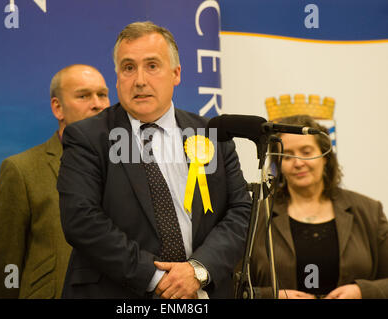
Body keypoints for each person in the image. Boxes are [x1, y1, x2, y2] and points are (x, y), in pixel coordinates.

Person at [57, 21, 251, 299]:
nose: (139, 80)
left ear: (176, 74)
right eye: (128, 68)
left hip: (201, 293)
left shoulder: (212, 135)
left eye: (152, 66)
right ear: (117, 77)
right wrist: (158, 278)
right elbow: (82, 220)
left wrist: (198, 270)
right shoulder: (87, 137)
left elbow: (240, 212)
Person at [0, 64, 111, 298]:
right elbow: (3, 262)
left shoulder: (125, 168)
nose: (98, 104)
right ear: (58, 107)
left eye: (102, 94)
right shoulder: (22, 170)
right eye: (83, 95)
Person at [244, 115, 388, 299]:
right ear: (278, 164)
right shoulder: (258, 214)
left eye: (306, 152)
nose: (298, 163)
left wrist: (361, 292)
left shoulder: (369, 211)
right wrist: (272, 296)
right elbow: (236, 287)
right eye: (287, 156)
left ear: (325, 157)